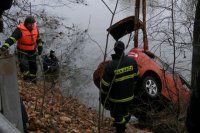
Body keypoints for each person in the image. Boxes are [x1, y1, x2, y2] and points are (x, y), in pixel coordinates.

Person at [100, 41, 139, 133]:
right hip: (129, 96)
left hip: (116, 99)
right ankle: (124, 122)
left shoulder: (110, 66)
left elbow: (105, 86)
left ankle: (120, 129)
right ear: (124, 49)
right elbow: (136, 77)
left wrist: (104, 97)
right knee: (125, 112)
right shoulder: (132, 61)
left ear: (114, 50)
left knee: (117, 116)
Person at [0, 16, 43, 83]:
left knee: (34, 67)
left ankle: (33, 80)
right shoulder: (19, 30)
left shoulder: (35, 29)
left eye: (33, 24)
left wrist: (40, 47)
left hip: (32, 51)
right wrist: (5, 46)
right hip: (22, 51)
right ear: (26, 24)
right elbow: (12, 39)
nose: (32, 26)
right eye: (30, 24)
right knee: (25, 67)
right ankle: (26, 80)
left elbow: (38, 39)